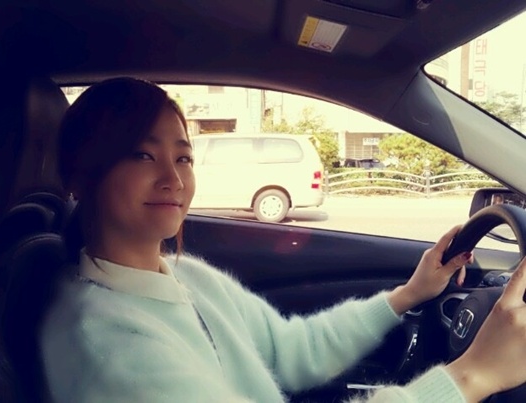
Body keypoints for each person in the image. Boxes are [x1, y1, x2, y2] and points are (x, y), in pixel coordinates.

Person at [40, 77, 526, 403]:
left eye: (183, 158)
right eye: (143, 156)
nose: (173, 178)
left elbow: (294, 350)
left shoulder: (187, 276)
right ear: (81, 175)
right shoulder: (101, 343)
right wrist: (472, 376)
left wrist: (408, 295)